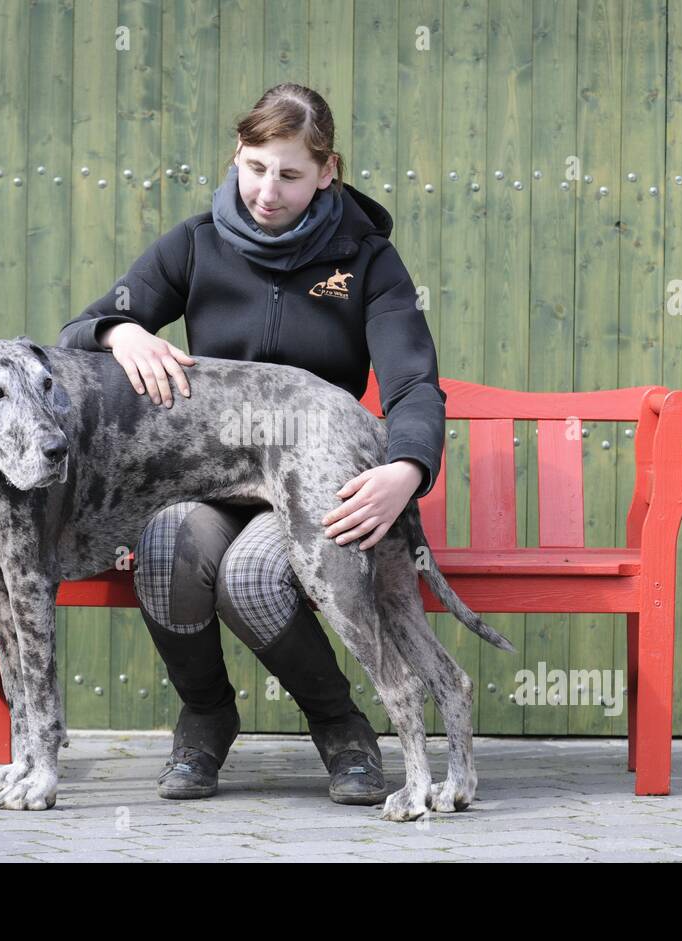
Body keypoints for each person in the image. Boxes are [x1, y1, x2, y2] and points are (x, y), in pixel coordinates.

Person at [58, 83, 446, 806]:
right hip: (206, 480)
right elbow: (76, 333)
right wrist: (122, 330)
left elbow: (414, 384)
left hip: (308, 481)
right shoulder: (195, 241)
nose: (268, 190)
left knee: (251, 576)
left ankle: (339, 723)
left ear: (328, 171)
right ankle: (206, 715)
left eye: (291, 174)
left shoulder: (368, 261)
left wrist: (407, 467)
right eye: (256, 166)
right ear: (238, 154)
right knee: (167, 544)